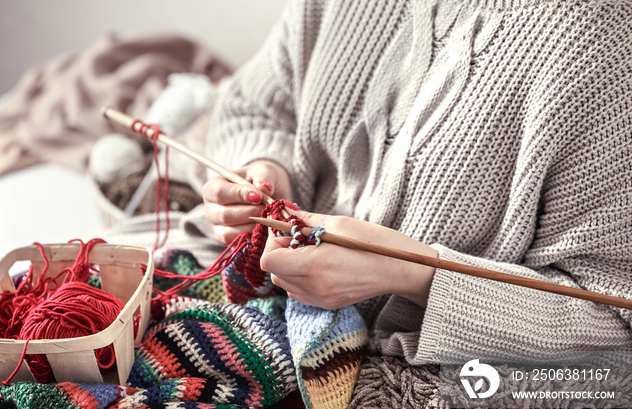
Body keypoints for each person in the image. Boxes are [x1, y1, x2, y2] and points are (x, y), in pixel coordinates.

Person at [199, 0, 632, 364]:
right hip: (252, 293)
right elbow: (253, 107)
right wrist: (264, 170)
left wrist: (413, 274)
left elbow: (615, 321)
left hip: (414, 374)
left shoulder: (603, 46)